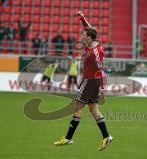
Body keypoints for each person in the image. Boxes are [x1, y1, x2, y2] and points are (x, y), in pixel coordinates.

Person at [53, 11, 113, 151]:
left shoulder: (96, 52)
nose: (81, 36)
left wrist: (102, 87)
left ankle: (68, 138)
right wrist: (82, 18)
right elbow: (90, 28)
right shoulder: (91, 44)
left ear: (89, 38)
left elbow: (101, 70)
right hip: (91, 82)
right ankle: (106, 136)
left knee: (77, 108)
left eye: (84, 35)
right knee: (94, 111)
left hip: (91, 82)